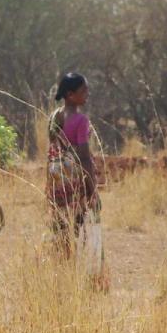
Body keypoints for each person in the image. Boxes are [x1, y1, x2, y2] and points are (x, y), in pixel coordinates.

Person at [46, 72, 98, 256]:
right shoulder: (81, 120)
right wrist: (92, 188)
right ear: (70, 94)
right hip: (75, 180)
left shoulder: (54, 117)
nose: (87, 94)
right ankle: (74, 264)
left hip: (56, 179)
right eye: (83, 91)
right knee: (77, 225)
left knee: (60, 225)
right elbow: (84, 156)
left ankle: (60, 260)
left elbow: (51, 149)